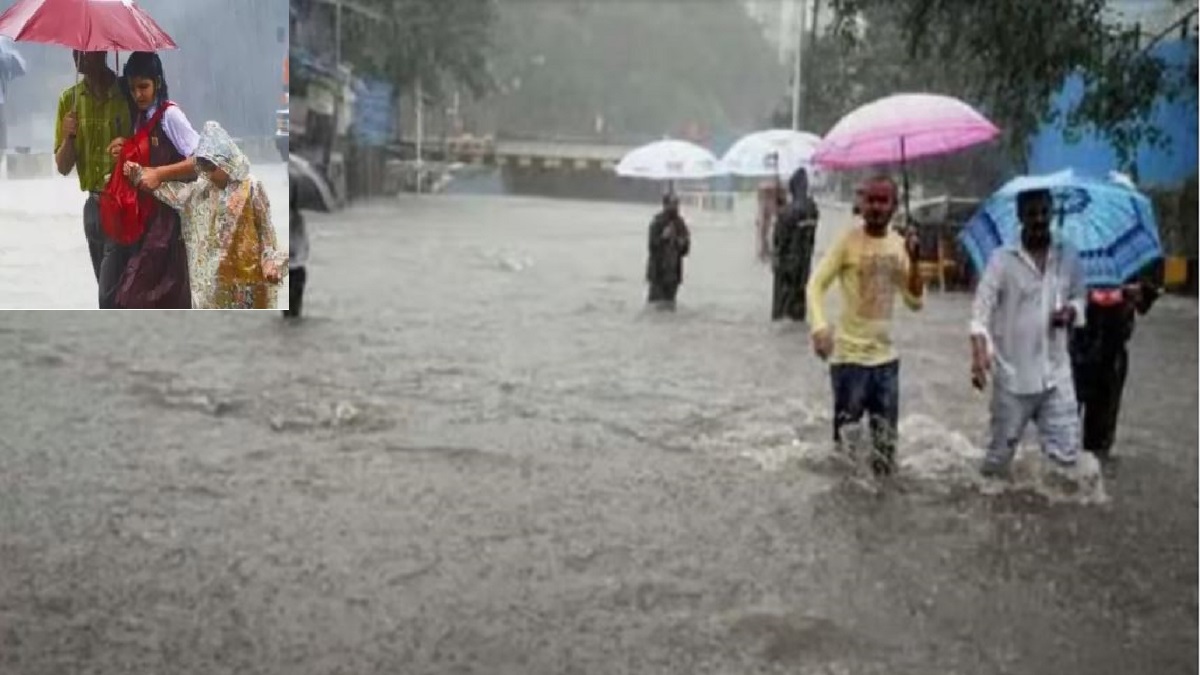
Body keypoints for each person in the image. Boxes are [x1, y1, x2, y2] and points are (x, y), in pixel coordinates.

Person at [806, 175, 924, 476]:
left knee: (886, 456)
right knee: (845, 454)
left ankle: (882, 516)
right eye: (870, 199)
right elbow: (815, 285)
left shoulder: (900, 246)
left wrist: (915, 261)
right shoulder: (848, 241)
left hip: (886, 363)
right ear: (860, 203)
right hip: (849, 362)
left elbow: (915, 302)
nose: (875, 206)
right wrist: (819, 326)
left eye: (883, 200)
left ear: (894, 206)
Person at [970, 188, 1087, 478]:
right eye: (1032, 213)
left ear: (1052, 213)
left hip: (1056, 375)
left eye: (1044, 212)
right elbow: (979, 313)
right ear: (1020, 216)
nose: (1039, 219)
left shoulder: (1067, 254)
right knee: (996, 467)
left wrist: (1071, 312)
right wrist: (978, 353)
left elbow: (1080, 297)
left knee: (1067, 465)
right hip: (1013, 378)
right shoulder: (1001, 259)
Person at [126, 121, 286, 309]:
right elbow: (171, 193)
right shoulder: (201, 191)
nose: (209, 174)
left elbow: (266, 236)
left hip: (248, 286)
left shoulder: (251, 188)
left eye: (212, 167)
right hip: (212, 293)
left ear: (225, 161)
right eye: (204, 167)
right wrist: (138, 174)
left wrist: (272, 264)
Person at [101, 51, 198, 309]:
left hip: (170, 224)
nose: (138, 95)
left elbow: (202, 162)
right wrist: (125, 151)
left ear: (157, 82)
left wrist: (159, 174)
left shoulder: (170, 116)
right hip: (144, 221)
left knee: (140, 295)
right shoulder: (139, 118)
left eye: (144, 87)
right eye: (132, 88)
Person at [53, 51, 132, 303]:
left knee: (108, 295)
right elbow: (63, 167)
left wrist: (129, 148)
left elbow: (147, 146)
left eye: (84, 51)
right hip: (93, 209)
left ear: (102, 51)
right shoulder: (70, 100)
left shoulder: (127, 95)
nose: (76, 56)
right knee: (111, 289)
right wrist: (68, 137)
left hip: (122, 205)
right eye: (74, 51)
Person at [1069, 268, 1159, 470]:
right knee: (1061, 429)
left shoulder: (1129, 258)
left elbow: (1148, 296)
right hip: (1075, 352)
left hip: (1112, 356)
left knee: (1099, 442)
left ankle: (1095, 484)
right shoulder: (1066, 256)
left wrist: (1138, 292)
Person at [771, 167, 820, 321]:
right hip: (805, 264)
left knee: (783, 307)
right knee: (799, 300)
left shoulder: (788, 212)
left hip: (787, 265)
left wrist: (780, 211)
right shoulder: (813, 209)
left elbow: (779, 240)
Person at [646, 192, 691, 309]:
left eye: (677, 203)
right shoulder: (657, 223)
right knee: (655, 306)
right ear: (665, 205)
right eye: (672, 203)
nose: (675, 207)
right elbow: (652, 247)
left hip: (673, 275)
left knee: (670, 306)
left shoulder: (681, 224)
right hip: (658, 273)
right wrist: (663, 237)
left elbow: (685, 251)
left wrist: (682, 243)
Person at [284, 177, 310, 318]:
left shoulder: (298, 219)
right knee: (286, 314)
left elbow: (303, 245)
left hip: (296, 268)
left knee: (294, 311)